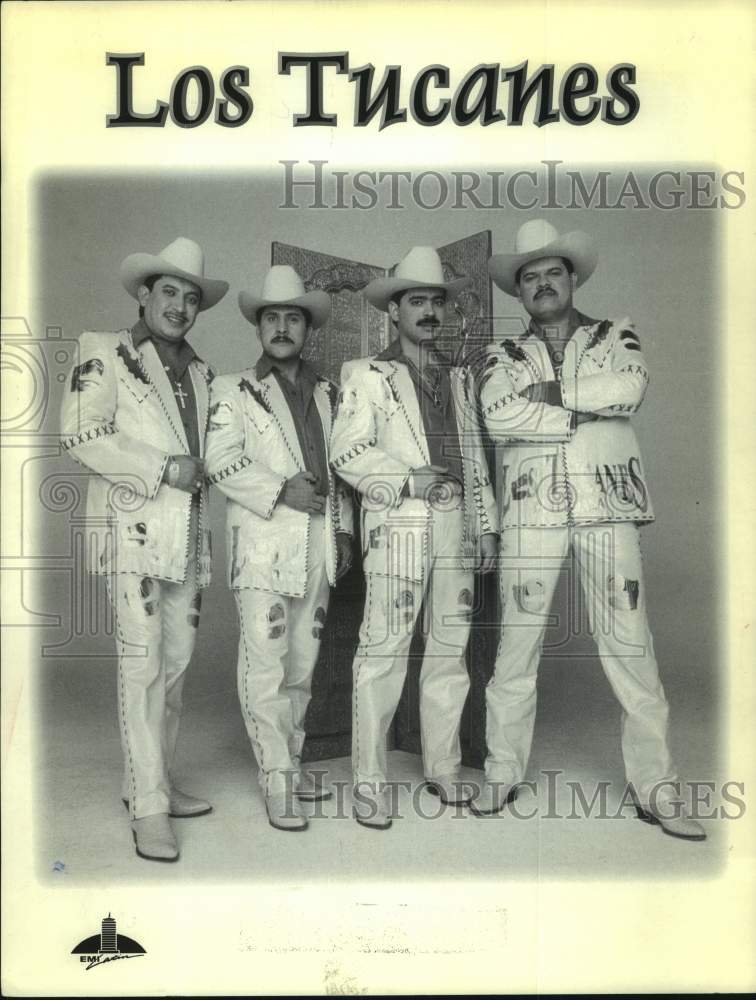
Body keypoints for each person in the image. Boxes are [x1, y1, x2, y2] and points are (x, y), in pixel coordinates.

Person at [473, 219, 705, 840]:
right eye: (530, 277)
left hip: (608, 504)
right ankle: (502, 770)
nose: (543, 284)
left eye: (553, 272)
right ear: (518, 292)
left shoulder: (614, 333)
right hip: (530, 510)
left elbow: (629, 388)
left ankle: (656, 785)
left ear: (572, 278)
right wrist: (581, 402)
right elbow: (498, 416)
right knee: (515, 643)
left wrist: (548, 396)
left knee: (630, 640)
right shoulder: (502, 354)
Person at [60, 237, 229, 861]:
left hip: (183, 538)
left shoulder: (205, 374)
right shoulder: (103, 351)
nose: (180, 307)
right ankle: (149, 808)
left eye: (190, 298)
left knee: (177, 668)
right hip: (130, 534)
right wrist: (162, 468)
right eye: (169, 293)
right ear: (143, 294)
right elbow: (81, 432)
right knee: (143, 668)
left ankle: (149, 784)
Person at [330, 246, 499, 830]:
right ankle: (369, 783)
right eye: (416, 301)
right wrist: (407, 479)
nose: (428, 311)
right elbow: (346, 452)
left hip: (457, 527)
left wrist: (486, 526)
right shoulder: (367, 376)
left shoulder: (459, 380)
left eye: (436, 302)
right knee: (383, 652)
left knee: (450, 652)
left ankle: (443, 767)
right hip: (400, 526)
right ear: (394, 312)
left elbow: (477, 461)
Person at [204, 265, 353, 832]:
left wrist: (343, 530)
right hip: (264, 541)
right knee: (264, 662)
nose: (283, 326)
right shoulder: (232, 388)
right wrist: (279, 488)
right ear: (258, 326)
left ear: (307, 326)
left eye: (293, 317)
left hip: (317, 539)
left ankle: (289, 761)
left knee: (302, 662)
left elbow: (341, 471)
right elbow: (221, 459)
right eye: (273, 317)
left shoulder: (331, 392)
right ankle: (275, 779)